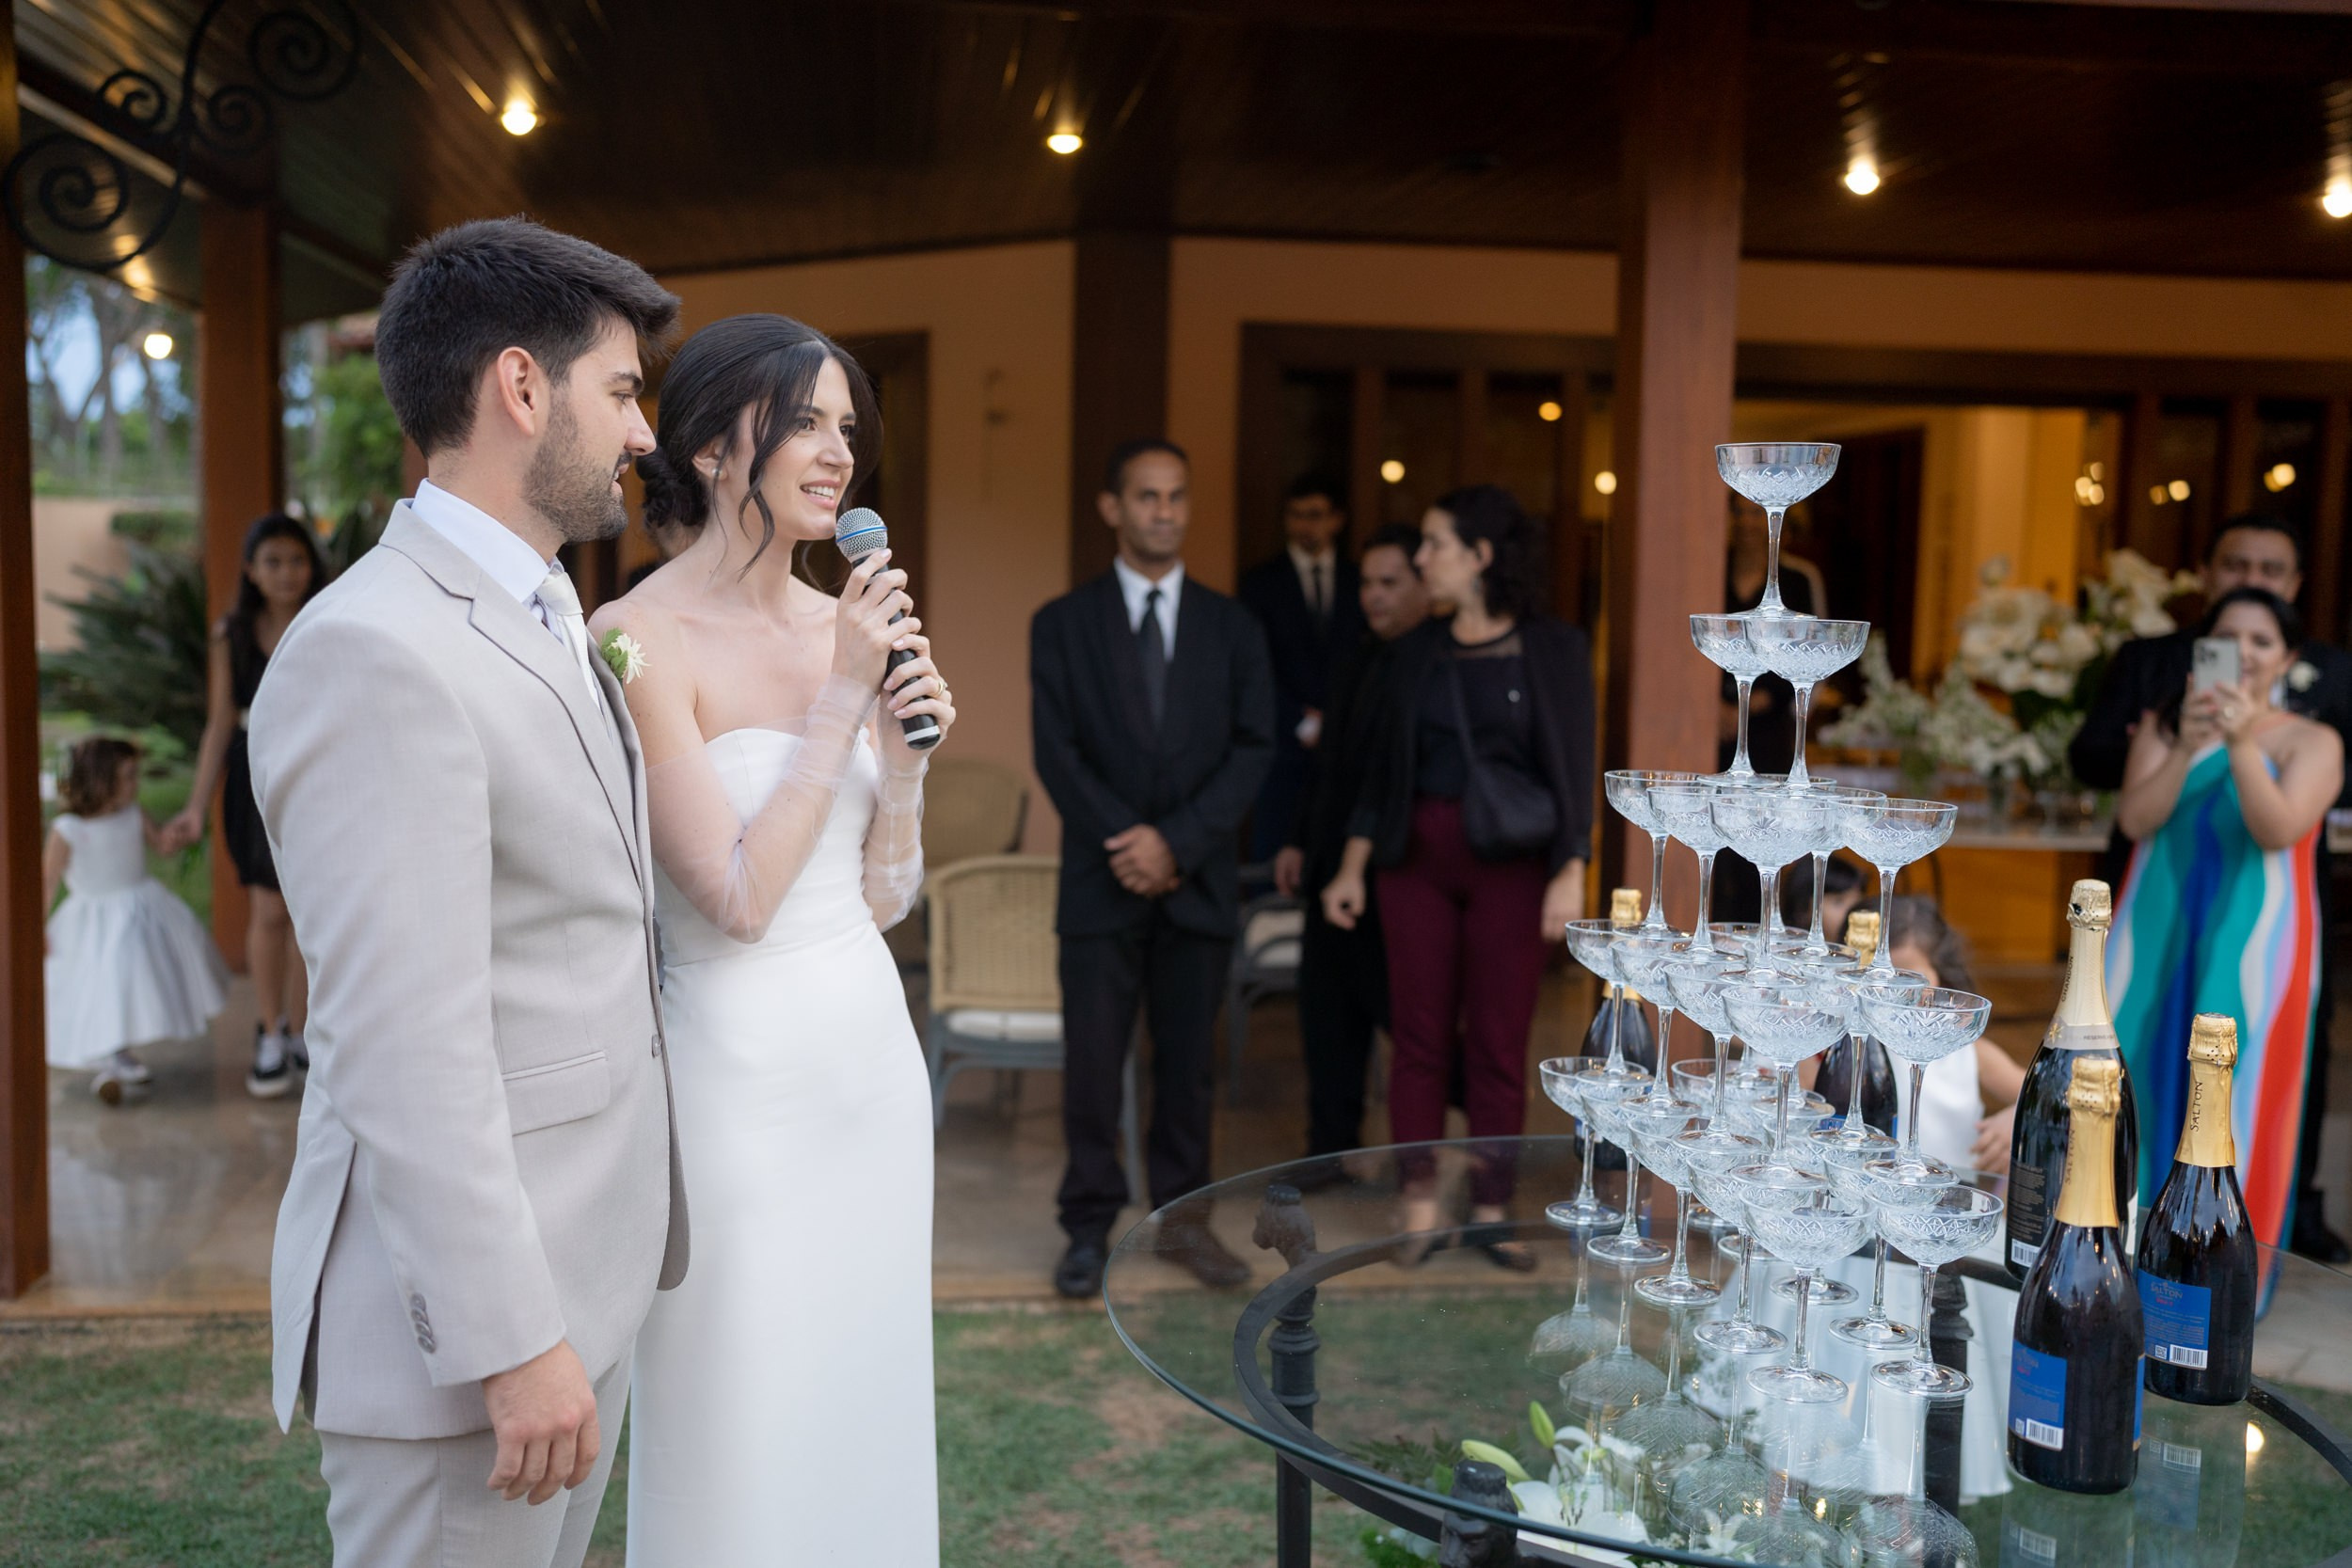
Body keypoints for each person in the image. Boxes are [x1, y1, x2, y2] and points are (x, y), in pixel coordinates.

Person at [249, 217, 687, 1568]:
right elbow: (399, 1043)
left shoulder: (546, 604)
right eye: (621, 391)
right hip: (476, 1344)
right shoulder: (373, 650)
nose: (643, 434)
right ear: (519, 386)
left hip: (579, 1282)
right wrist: (511, 1341)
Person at [593, 314, 949, 1565]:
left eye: (847, 424)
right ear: (702, 444)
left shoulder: (842, 626)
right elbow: (737, 899)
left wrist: (899, 764)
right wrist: (844, 694)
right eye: (803, 419)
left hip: (867, 1061)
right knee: (742, 1410)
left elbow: (884, 897)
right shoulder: (632, 636)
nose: (835, 449)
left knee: (865, 1393)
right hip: (733, 1083)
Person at [1322, 484, 1596, 1269]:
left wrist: (1568, 868)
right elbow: (1381, 777)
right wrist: (1351, 867)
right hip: (1414, 864)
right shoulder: (1413, 652)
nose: (1420, 557)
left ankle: (1488, 1203)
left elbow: (1574, 767)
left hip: (1512, 869)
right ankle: (1417, 1202)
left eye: (1436, 543)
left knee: (1500, 1041)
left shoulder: (1553, 649)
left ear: (1480, 557)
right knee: (1417, 1034)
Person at [1031, 438, 1276, 1299]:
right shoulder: (1060, 624)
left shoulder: (1234, 626)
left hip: (1198, 881)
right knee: (1094, 1068)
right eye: (1146, 496)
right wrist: (1130, 843)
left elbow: (1254, 749)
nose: (1163, 511)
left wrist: (1177, 842)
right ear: (1113, 507)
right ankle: (1087, 1230)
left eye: (1176, 496)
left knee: (1187, 1070)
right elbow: (1056, 755)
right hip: (1099, 886)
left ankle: (1184, 1224)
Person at [2073, 513, 2352, 1262]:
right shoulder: (2170, 725)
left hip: (2253, 933)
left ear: (2288, 656)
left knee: (2237, 1085)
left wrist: (2239, 741)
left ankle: (2217, 1269)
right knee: (2137, 1062)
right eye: (2232, 639)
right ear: (2206, 648)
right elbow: (2137, 816)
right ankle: (2113, 1247)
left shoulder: (2313, 740)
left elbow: (2277, 827)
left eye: (2265, 642)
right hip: (2158, 921)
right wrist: (2191, 741)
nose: (2248, 654)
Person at [1272, 522, 1430, 1177]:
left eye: (1390, 582)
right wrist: (1297, 839)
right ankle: (1329, 1150)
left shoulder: (1430, 662)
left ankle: (1421, 1159)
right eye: (1365, 582)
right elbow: (1330, 766)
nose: (1374, 595)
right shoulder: (1361, 653)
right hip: (1328, 861)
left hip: (1391, 870)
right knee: (1325, 1015)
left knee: (1402, 1021)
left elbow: (1389, 778)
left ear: (1423, 584)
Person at [167, 512, 324, 1098]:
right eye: (273, 562)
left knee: (310, 911)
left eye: (296, 560)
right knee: (269, 912)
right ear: (252, 572)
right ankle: (270, 1031)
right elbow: (217, 724)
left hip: (318, 779)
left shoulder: (328, 617)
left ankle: (310, 1032)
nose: (286, 573)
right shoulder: (229, 633)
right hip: (253, 781)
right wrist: (192, 805)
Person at [42, 735, 227, 1103]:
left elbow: (159, 843)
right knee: (104, 985)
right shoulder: (68, 830)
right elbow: (46, 883)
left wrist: (174, 836)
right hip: (92, 920)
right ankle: (113, 1058)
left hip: (138, 911)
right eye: (128, 776)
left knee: (125, 980)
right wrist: (36, 928)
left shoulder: (133, 813)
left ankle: (116, 1056)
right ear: (100, 779)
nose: (135, 783)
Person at [1239, 473, 1365, 863]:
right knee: (1274, 861)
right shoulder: (1259, 583)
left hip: (1348, 744)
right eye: (1296, 515)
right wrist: (1300, 718)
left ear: (1337, 520)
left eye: (1315, 515)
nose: (1305, 525)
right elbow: (1250, 667)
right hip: (1282, 746)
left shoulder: (1358, 582)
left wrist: (1338, 718)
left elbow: (1367, 660)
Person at [1714, 493, 1822, 923]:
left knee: (1760, 847)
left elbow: (1814, 651)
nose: (1746, 522)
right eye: (1737, 512)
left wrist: (1753, 704)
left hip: (1770, 733)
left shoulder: (1799, 579)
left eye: (1755, 512)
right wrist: (1711, 711)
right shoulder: (1709, 568)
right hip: (1710, 732)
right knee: (1713, 841)